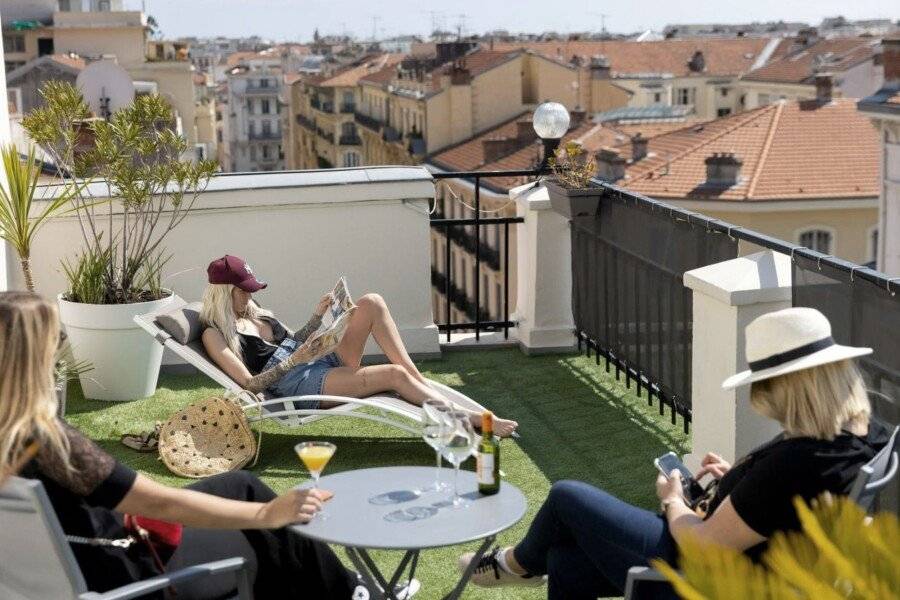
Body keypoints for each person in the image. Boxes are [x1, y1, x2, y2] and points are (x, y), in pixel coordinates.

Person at [0, 291, 417, 599]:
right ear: (36, 356)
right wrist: (267, 514)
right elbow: (159, 504)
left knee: (239, 484)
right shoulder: (49, 443)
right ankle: (354, 595)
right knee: (265, 529)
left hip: (77, 564)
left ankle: (351, 589)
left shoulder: (13, 435)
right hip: (127, 570)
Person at [457, 307, 890, 599]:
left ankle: (515, 564)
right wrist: (734, 481)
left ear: (788, 389)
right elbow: (776, 504)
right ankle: (530, 563)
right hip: (759, 567)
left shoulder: (799, 461)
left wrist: (673, 500)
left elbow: (704, 546)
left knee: (568, 496)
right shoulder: (865, 435)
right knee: (565, 560)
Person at [199, 255, 518, 437]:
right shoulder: (215, 335)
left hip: (315, 362)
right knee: (391, 376)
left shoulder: (257, 314)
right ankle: (471, 419)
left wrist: (317, 318)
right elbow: (250, 383)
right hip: (300, 384)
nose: (251, 295)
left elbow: (292, 342)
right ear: (225, 292)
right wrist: (297, 359)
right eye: (245, 291)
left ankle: (416, 381)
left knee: (371, 303)